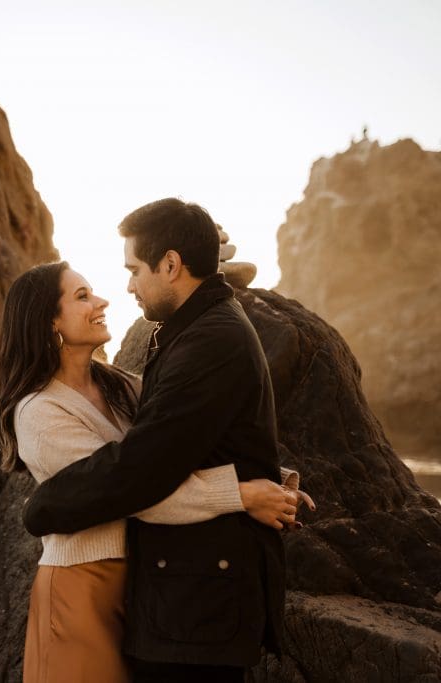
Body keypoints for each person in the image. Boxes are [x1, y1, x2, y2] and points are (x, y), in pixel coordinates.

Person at [22, 198, 308, 682]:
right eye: (83, 295)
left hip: (190, 598)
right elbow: (175, 448)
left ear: (171, 265)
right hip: (134, 590)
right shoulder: (43, 410)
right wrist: (246, 490)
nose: (124, 288)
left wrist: (45, 504)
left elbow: (143, 469)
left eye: (135, 269)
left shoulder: (191, 346)